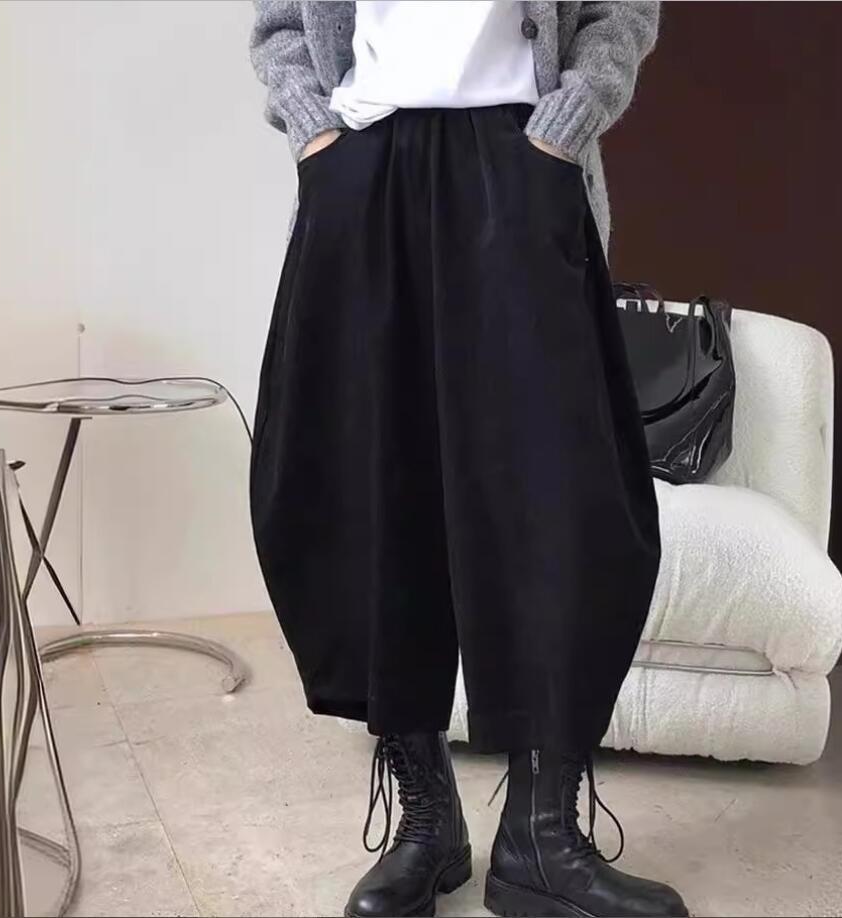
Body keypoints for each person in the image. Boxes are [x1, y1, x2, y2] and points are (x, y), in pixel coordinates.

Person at [249, 3, 687, 916]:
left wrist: (566, 123)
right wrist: (316, 135)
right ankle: (426, 820)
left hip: (523, 151)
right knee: (370, 494)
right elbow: (281, 21)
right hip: (363, 160)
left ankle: (542, 834)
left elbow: (620, 10)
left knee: (564, 503)